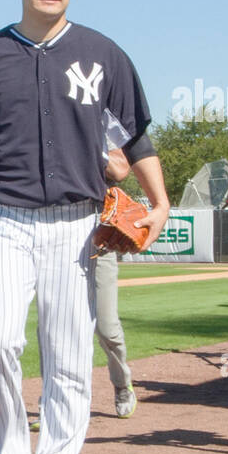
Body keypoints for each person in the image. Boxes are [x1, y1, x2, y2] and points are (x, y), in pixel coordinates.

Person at [0, 0, 169, 454]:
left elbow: (134, 137)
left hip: (76, 222)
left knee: (66, 352)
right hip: (3, 217)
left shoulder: (103, 52)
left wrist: (158, 203)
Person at [95, 147, 139, 417]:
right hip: (54, 236)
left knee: (107, 327)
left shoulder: (94, 118)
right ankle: (53, 401)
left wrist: (80, 140)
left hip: (99, 239)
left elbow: (120, 169)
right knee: (55, 328)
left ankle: (122, 384)